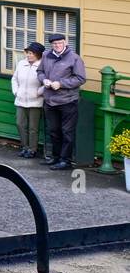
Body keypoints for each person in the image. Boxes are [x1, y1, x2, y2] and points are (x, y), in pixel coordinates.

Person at [37, 32, 86, 170]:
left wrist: (61, 84)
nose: (57, 46)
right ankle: (56, 157)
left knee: (67, 132)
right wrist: (44, 80)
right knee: (53, 130)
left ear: (65, 42)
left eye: (59, 43)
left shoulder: (74, 58)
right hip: (50, 100)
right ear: (51, 45)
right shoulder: (46, 55)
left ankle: (66, 161)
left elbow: (80, 79)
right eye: (54, 44)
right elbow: (39, 72)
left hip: (68, 101)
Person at [11, 41, 45, 159]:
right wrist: (16, 91)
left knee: (33, 128)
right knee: (20, 124)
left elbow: (46, 83)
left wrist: (38, 93)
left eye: (32, 53)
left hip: (36, 101)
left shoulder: (42, 66)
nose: (29, 55)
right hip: (20, 100)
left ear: (38, 55)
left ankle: (32, 149)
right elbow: (14, 79)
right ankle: (24, 147)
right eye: (28, 53)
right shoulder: (21, 64)